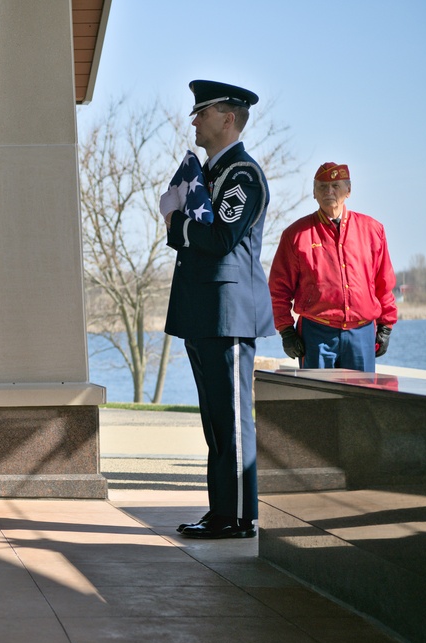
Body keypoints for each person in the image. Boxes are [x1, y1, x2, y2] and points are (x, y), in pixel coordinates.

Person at [160, 80, 274, 539]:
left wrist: (176, 223)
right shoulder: (206, 174)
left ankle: (239, 516)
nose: (194, 120)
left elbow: (220, 237)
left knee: (232, 421)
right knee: (214, 421)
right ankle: (221, 510)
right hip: (204, 311)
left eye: (202, 112)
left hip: (229, 313)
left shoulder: (242, 175)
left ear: (228, 119)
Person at [268, 162, 398, 371]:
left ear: (348, 190)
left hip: (362, 333)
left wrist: (386, 326)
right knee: (319, 401)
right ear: (313, 192)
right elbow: (278, 289)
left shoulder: (373, 230)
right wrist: (286, 331)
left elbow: (383, 282)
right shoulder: (296, 235)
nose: (329, 191)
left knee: (361, 400)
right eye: (322, 186)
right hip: (316, 333)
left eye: (336, 186)